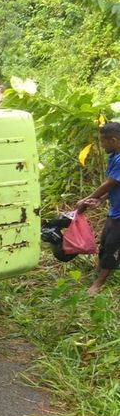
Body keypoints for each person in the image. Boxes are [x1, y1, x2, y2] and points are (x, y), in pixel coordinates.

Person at [76, 122, 120, 295]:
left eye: (103, 142)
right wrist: (101, 199)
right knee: (104, 240)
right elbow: (114, 186)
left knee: (112, 245)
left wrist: (88, 199)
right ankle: (102, 269)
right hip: (115, 210)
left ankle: (98, 283)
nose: (101, 146)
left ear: (113, 140)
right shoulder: (114, 156)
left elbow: (110, 183)